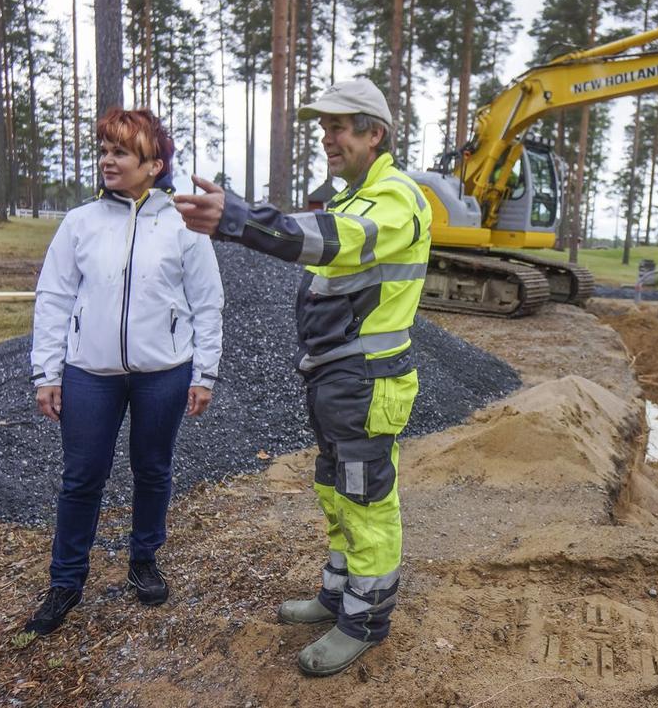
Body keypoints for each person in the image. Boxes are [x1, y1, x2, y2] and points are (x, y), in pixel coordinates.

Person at [173, 78, 432, 677]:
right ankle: (338, 594)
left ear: (376, 134)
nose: (327, 137)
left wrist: (239, 219)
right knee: (336, 491)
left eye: (339, 126)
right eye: (323, 126)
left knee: (366, 500)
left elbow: (330, 242)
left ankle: (365, 619)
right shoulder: (351, 195)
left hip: (368, 379)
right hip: (336, 378)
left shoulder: (396, 198)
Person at [24, 108, 224, 636]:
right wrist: (47, 372)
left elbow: (207, 304)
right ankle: (66, 581)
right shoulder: (80, 223)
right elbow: (53, 298)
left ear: (153, 164)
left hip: (165, 373)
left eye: (121, 152)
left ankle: (143, 561)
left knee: (153, 470)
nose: (108, 160)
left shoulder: (184, 224)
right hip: (90, 374)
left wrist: (204, 373)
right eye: (105, 150)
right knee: (81, 477)